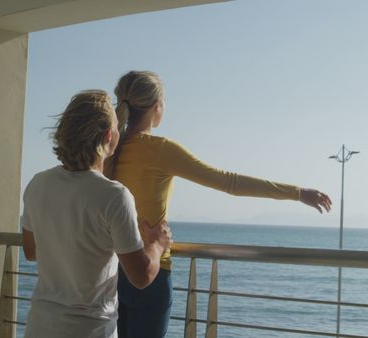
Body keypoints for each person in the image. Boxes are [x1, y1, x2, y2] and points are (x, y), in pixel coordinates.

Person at [105, 71, 333, 338]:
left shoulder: (109, 149)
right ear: (157, 107)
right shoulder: (160, 149)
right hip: (150, 276)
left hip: (115, 273)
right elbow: (229, 183)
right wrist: (297, 193)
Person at [21, 90, 172, 338]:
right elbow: (141, 276)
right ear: (109, 136)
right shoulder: (114, 196)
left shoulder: (38, 185)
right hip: (90, 330)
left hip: (40, 327)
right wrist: (156, 244)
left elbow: (30, 250)